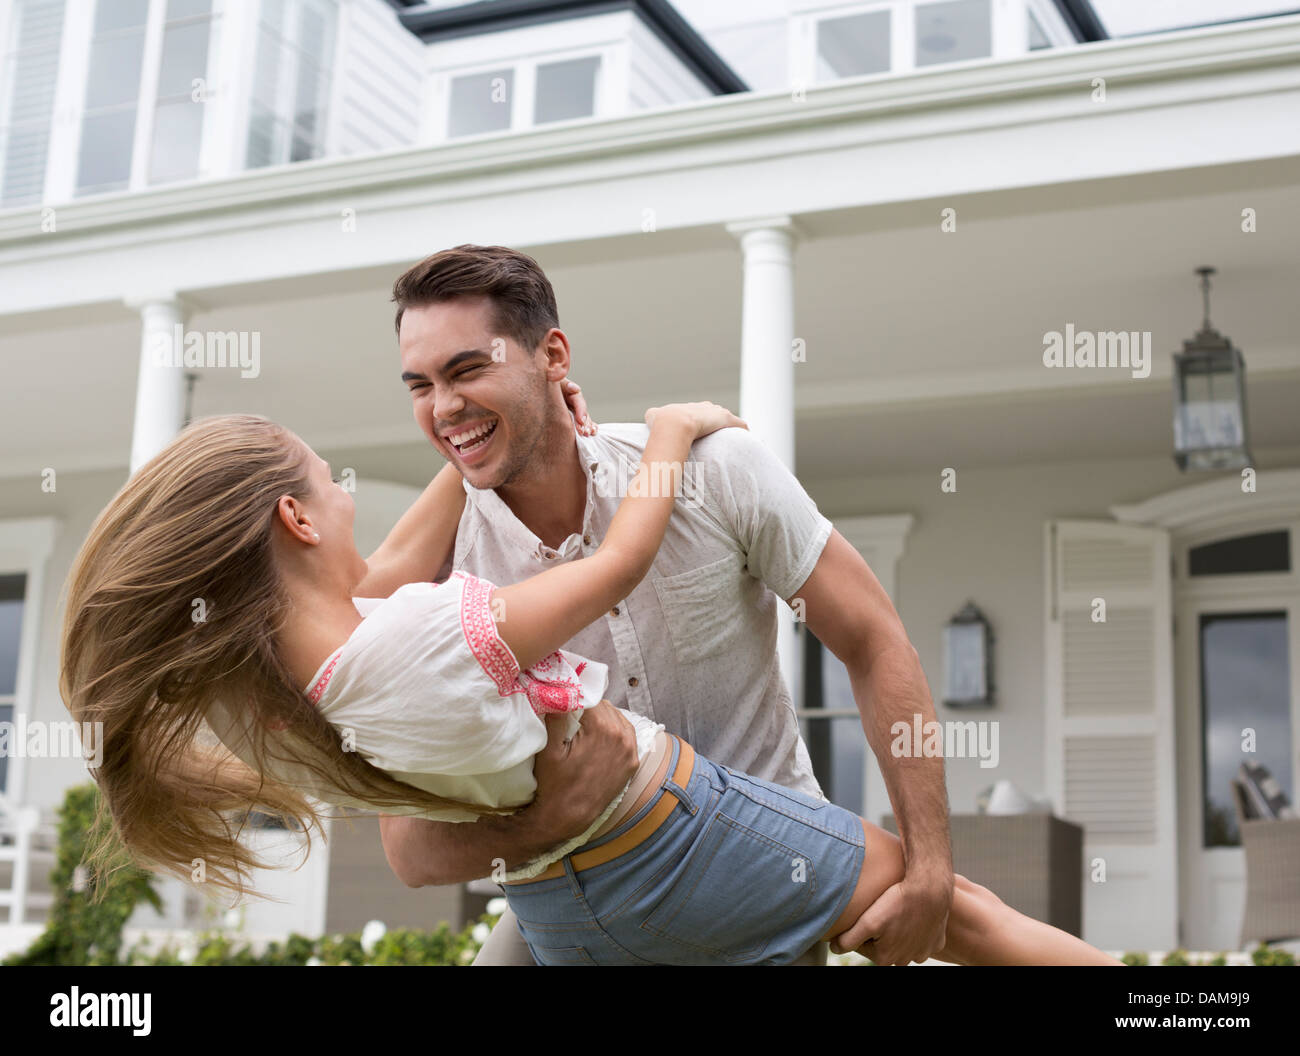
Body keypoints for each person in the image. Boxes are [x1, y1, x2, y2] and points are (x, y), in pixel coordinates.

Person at [61, 409, 1123, 966]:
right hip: (677, 828)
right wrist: (673, 432)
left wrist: (465, 448)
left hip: (569, 906)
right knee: (957, 915)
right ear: (295, 523)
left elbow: (373, 582)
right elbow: (615, 566)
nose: (347, 498)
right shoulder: (433, 625)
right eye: (328, 484)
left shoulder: (303, 698)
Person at [361, 245, 949, 965]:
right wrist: (557, 817)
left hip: (758, 889)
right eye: (420, 385)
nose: (443, 406)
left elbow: (874, 640)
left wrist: (930, 869)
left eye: (468, 368)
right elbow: (409, 844)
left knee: (975, 922)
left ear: (553, 356)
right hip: (571, 898)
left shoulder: (716, 470)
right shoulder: (437, 568)